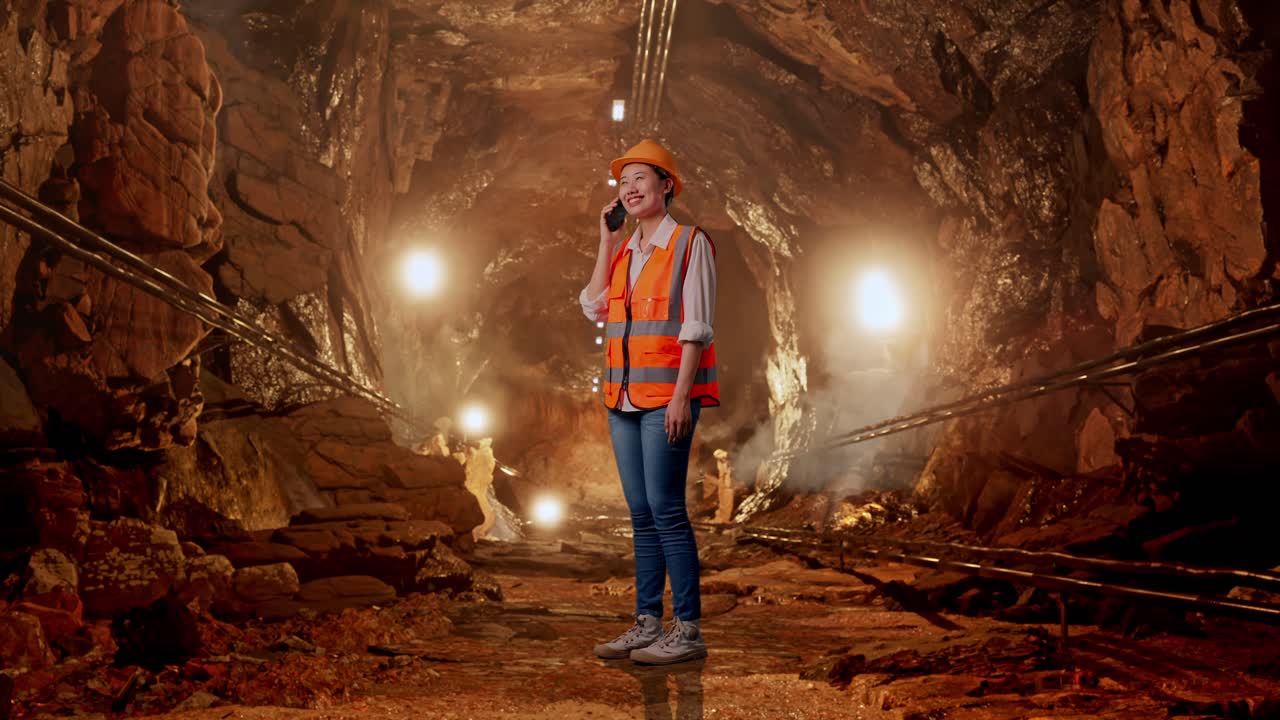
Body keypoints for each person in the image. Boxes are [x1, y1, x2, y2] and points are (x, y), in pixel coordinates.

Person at [580, 139, 719, 665]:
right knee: (640, 513)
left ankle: (687, 630)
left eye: (642, 178)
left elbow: (696, 326)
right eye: (623, 182)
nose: (631, 188)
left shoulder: (689, 243)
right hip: (622, 398)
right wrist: (605, 238)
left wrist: (683, 396)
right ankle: (646, 622)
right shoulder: (624, 252)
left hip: (667, 398)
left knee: (666, 511)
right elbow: (594, 306)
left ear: (667, 186)